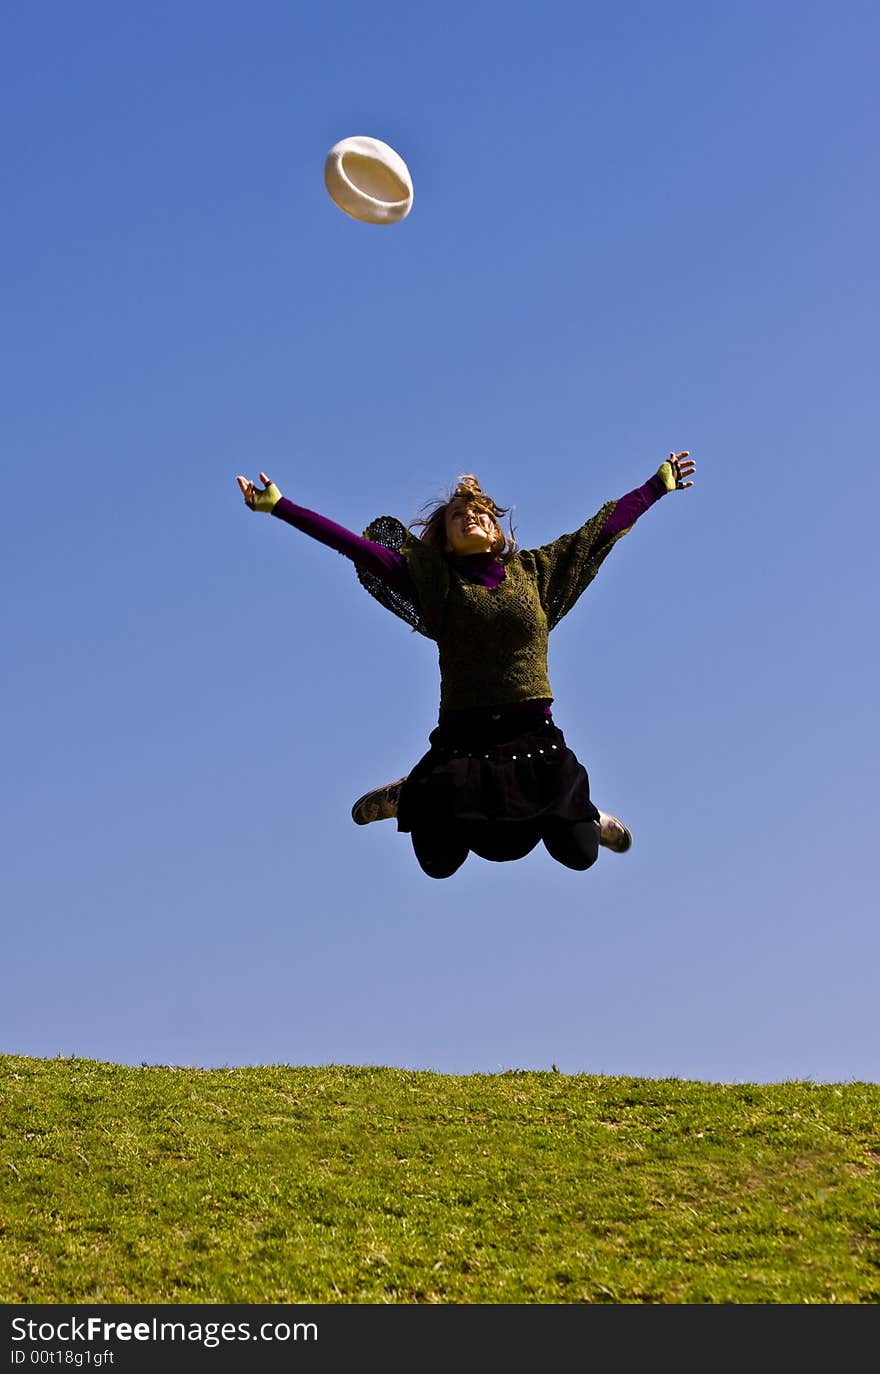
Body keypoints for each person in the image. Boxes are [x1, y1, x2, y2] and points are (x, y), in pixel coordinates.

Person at [235, 452, 696, 878]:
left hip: (533, 735)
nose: (471, 517)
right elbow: (356, 548)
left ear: (497, 532)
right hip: (463, 741)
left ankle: (589, 817)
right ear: (448, 542)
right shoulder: (434, 584)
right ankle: (408, 793)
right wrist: (281, 506)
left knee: (579, 854)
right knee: (439, 862)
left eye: (481, 514)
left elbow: (600, 530)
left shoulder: (536, 573)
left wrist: (656, 486)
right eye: (458, 516)